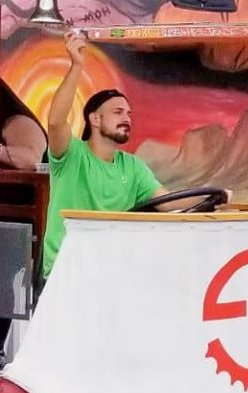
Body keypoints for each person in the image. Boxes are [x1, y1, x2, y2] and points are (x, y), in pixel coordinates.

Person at [40, 29, 161, 278]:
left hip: (112, 271)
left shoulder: (133, 167)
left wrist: (219, 199)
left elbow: (168, 201)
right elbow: (54, 123)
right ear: (94, 119)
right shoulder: (72, 155)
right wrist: (76, 66)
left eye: (129, 114)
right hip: (66, 272)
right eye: (117, 112)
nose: (126, 118)